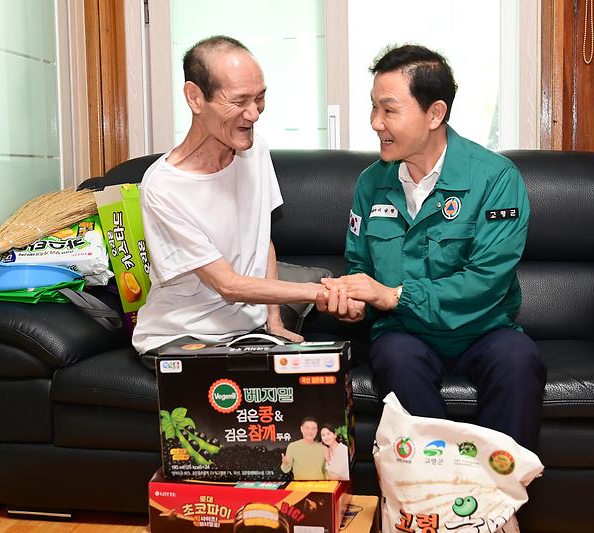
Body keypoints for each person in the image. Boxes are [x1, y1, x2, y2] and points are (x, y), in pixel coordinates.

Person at [317, 44, 546, 451]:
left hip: (483, 328)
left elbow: (486, 283)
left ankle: (497, 503)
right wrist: (351, 304)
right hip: (404, 332)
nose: (375, 123)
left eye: (389, 110)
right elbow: (358, 266)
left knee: (518, 361)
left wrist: (392, 295)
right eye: (373, 108)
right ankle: (438, 493)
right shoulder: (371, 184)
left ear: (435, 113)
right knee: (397, 360)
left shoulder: (495, 178)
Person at [131, 36, 322, 355]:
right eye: (239, 101)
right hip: (179, 338)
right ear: (195, 98)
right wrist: (321, 292)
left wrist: (274, 321)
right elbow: (228, 286)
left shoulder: (255, 150)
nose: (254, 114)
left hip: (245, 334)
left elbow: (262, 241)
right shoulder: (164, 186)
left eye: (260, 98)